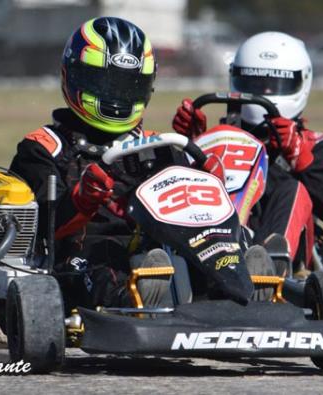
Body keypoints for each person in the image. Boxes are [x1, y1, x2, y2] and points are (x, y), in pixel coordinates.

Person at [10, 17, 193, 310]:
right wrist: (80, 201)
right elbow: (37, 229)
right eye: (105, 84)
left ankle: (251, 285)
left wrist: (206, 172)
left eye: (127, 86)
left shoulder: (159, 148)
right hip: (78, 256)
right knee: (95, 265)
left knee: (193, 254)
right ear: (75, 77)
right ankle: (133, 300)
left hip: (155, 251)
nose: (116, 97)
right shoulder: (43, 147)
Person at [172, 32, 323, 274]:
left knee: (292, 188)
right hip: (219, 236)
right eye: (254, 84)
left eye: (274, 85)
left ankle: (268, 265)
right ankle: (186, 261)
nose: (263, 92)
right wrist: (192, 146)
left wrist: (300, 158)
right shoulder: (221, 137)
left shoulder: (314, 144)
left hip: (284, 249)